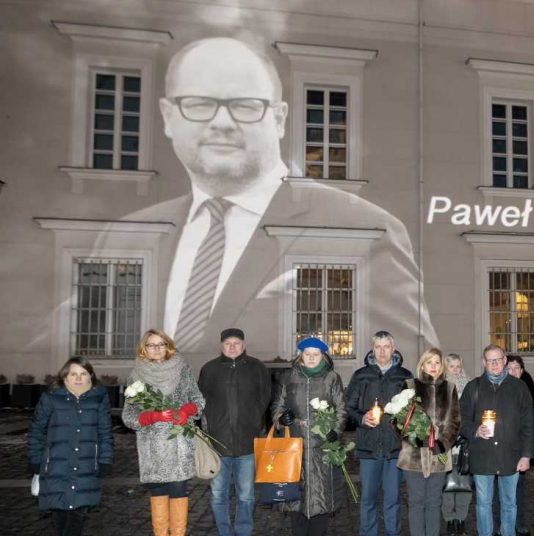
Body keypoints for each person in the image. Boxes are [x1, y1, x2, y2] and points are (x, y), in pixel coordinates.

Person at [91, 36, 436, 365]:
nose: (221, 123)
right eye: (199, 104)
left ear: (279, 119)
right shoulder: (126, 235)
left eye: (245, 106)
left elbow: (411, 364)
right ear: (168, 117)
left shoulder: (372, 229)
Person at [122, 330, 205, 536]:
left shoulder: (182, 370)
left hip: (179, 444)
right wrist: (151, 416)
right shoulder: (136, 376)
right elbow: (128, 415)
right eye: (151, 345)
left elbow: (198, 400)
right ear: (143, 349)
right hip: (152, 447)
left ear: (168, 347)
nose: (156, 349)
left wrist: (186, 410)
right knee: (158, 493)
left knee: (179, 491)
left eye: (161, 344)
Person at [27, 357, 114, 536]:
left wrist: (105, 459)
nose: (78, 378)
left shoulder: (98, 399)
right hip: (55, 464)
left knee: (78, 512)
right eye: (73, 374)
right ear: (64, 376)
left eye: (83, 374)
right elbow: (36, 431)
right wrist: (35, 461)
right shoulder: (50, 398)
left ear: (91, 377)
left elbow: (106, 433)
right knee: (60, 512)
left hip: (87, 465)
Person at [270, 336, 346, 536]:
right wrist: (281, 419)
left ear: (323, 356)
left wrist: (335, 429)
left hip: (322, 448)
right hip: (294, 446)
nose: (311, 358)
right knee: (296, 501)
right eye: (307, 353)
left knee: (321, 501)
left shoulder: (332, 378)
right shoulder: (288, 377)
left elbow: (341, 409)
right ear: (300, 355)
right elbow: (277, 406)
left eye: (316, 354)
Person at [198, 328, 272, 536]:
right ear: (221, 345)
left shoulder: (257, 368)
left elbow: (265, 398)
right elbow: (201, 402)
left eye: (236, 343)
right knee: (218, 495)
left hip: (247, 444)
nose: (232, 347)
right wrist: (209, 432)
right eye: (228, 343)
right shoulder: (209, 369)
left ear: (244, 344)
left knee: (246, 495)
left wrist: (254, 423)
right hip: (218, 444)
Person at [460, 345, 534, 536]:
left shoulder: (518, 387)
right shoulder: (473, 387)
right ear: (483, 362)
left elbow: (528, 424)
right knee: (483, 502)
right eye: (489, 360)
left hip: (510, 455)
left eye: (498, 360)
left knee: (509, 502)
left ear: (504, 361)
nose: (494, 364)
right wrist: (475, 429)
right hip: (482, 454)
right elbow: (461, 420)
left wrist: (526, 454)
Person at [345, 331, 412, 536]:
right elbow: (348, 407)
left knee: (393, 498)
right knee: (368, 498)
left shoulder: (404, 376)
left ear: (393, 348)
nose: (382, 351)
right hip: (369, 448)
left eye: (386, 347)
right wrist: (361, 418)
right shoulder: (361, 375)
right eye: (378, 347)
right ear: (372, 349)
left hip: (395, 448)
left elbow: (414, 411)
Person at [398, 348, 461, 536]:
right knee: (416, 503)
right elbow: (399, 420)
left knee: (434, 503)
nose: (433, 366)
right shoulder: (409, 387)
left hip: (440, 455)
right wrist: (418, 438)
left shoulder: (450, 388)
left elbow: (454, 422)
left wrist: (442, 444)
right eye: (429, 362)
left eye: (437, 362)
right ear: (422, 365)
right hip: (413, 455)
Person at [505, 354, 534, 536]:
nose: (513, 371)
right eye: (509, 368)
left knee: (518, 486)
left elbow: (533, 418)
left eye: (516, 368)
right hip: (502, 445)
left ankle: (519, 521)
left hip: (520, 446)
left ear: (522, 371)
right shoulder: (499, 388)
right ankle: (500, 523)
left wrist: (529, 449)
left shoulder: (526, 389)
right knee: (499, 487)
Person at [442, 353, 472, 536]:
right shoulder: (440, 388)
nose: (455, 369)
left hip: (464, 444)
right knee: (446, 484)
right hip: (445, 444)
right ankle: (449, 519)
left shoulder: (469, 387)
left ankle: (461, 518)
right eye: (451, 366)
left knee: (463, 483)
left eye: (458, 366)